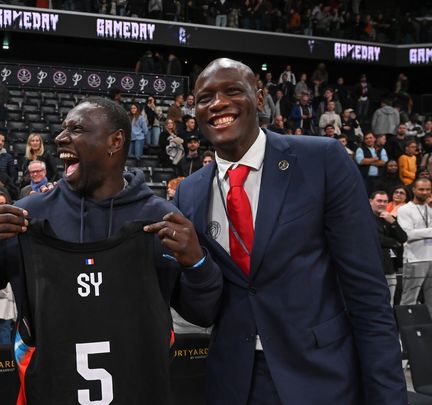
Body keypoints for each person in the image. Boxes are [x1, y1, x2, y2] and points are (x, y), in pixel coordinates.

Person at [0, 97, 222, 403]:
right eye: (64, 128)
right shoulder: (28, 215)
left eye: (77, 129)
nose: (60, 137)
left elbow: (202, 312)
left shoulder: (160, 219)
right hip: (51, 392)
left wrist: (197, 263)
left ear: (116, 141)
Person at [173, 58, 405, 405]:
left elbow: (368, 294)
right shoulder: (188, 192)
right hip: (234, 382)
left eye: (232, 91)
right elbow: (202, 309)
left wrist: (387, 397)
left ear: (260, 97)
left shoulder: (321, 159)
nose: (218, 103)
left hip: (320, 376)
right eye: (205, 98)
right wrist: (193, 265)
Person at [396, 178, 432, 317]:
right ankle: (406, 333)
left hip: (431, 257)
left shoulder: (431, 207)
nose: (425, 192)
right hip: (415, 259)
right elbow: (408, 234)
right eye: (421, 189)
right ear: (414, 190)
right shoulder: (404, 209)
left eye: (428, 189)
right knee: (409, 298)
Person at [370, 190, 407, 306]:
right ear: (371, 201)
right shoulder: (365, 219)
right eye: (379, 201)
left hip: (390, 268)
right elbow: (375, 239)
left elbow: (403, 237)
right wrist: (395, 243)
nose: (382, 204)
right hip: (373, 269)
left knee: (389, 304)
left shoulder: (389, 218)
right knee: (374, 303)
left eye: (385, 201)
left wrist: (393, 222)